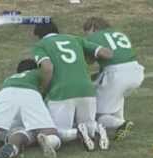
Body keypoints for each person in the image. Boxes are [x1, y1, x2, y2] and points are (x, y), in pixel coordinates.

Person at [32, 21, 112, 151]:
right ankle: (97, 129)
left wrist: (44, 88)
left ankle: (77, 133)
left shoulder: (40, 45)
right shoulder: (75, 39)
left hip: (61, 92)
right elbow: (106, 53)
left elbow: (47, 67)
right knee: (88, 124)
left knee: (56, 132)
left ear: (38, 35)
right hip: (86, 89)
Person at [83, 17, 145, 141]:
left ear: (93, 28)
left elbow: (88, 61)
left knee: (98, 115)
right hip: (136, 71)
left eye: (87, 31)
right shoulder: (119, 33)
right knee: (117, 95)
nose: (86, 34)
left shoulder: (94, 37)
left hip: (116, 74)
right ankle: (120, 123)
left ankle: (121, 124)